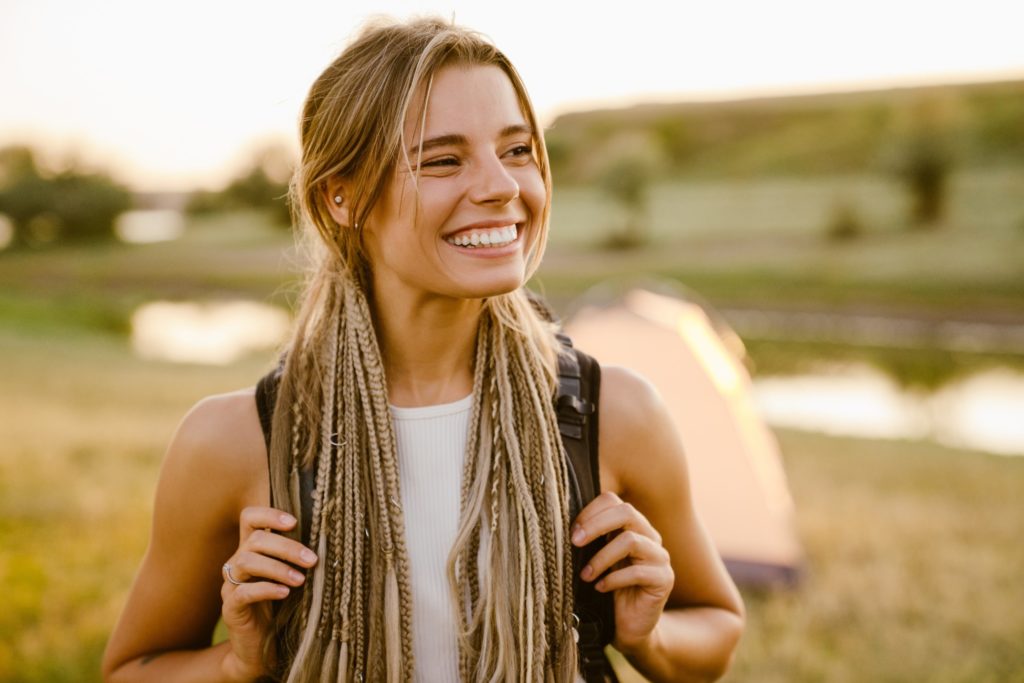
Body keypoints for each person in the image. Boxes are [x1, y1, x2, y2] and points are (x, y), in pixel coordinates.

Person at [102, 16, 744, 683]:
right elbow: (132, 668)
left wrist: (650, 637)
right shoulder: (232, 440)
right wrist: (240, 663)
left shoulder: (618, 413)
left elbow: (718, 624)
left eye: (518, 150)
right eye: (443, 159)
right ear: (341, 195)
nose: (501, 186)